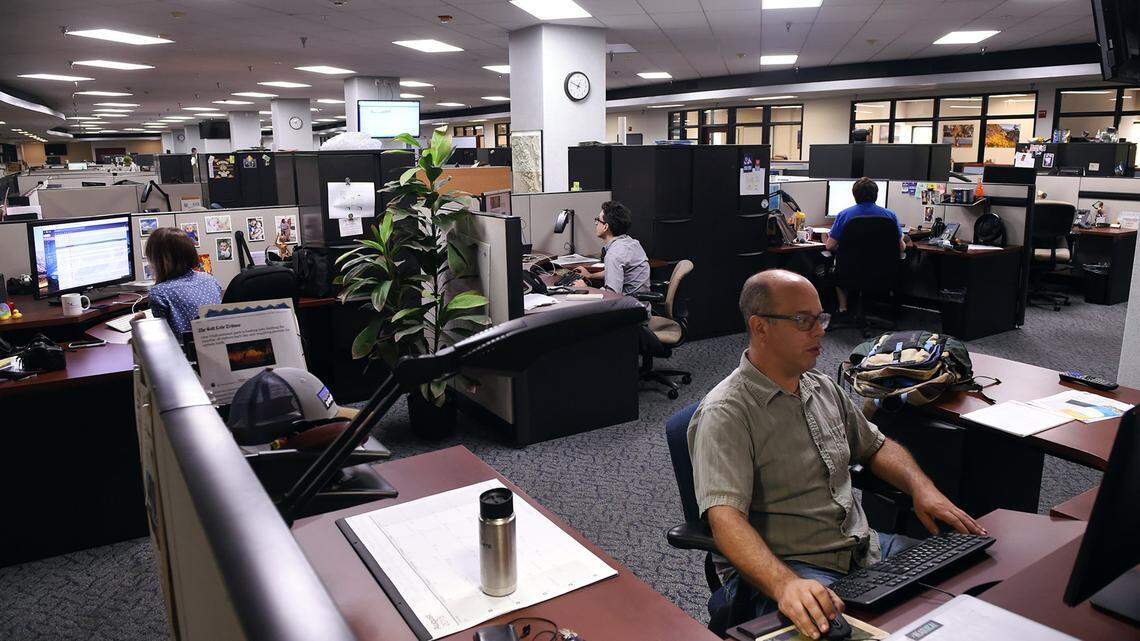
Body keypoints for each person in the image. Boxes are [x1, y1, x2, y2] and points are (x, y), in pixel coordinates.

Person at [688, 269, 984, 640]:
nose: (820, 330)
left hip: (864, 548)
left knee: (969, 577)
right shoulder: (727, 412)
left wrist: (921, 488)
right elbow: (725, 520)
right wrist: (785, 585)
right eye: (803, 320)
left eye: (821, 317)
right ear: (760, 327)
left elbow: (876, 447)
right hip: (796, 567)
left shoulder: (822, 387)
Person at [824, 177, 906, 314]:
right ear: (876, 195)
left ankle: (843, 308)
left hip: (849, 271)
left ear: (854, 195)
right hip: (882, 272)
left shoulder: (844, 215)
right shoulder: (890, 215)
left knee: (835, 268)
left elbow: (830, 246)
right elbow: (901, 247)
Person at [140, 227, 222, 336]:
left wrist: (139, 325)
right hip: (216, 345)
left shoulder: (159, 293)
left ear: (159, 261)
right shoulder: (209, 279)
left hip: (183, 351)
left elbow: (160, 338)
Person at [572, 200, 650, 295]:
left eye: (598, 220)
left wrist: (586, 289)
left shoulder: (614, 254)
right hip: (640, 305)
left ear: (605, 227)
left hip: (629, 307)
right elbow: (615, 273)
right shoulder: (631, 243)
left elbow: (612, 295)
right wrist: (590, 275)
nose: (596, 223)